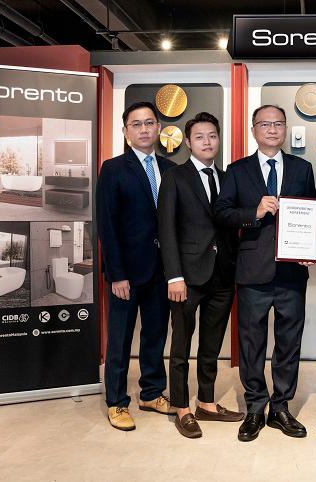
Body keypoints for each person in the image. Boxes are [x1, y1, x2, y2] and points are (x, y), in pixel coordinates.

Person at [214, 105, 316, 442]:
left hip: (292, 272)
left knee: (289, 343)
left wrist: (314, 251)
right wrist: (254, 212)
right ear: (253, 129)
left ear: (285, 128)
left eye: (278, 123)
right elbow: (222, 213)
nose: (272, 129)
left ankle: (282, 407)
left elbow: (314, 213)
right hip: (252, 272)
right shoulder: (237, 170)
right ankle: (256, 406)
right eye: (265, 124)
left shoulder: (302, 168)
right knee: (251, 343)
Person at [158, 112, 244, 439]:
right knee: (180, 345)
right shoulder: (176, 177)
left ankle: (206, 403)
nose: (207, 142)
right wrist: (173, 276)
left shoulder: (226, 177)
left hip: (222, 275)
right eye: (199, 137)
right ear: (189, 142)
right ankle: (182, 407)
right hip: (187, 277)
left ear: (218, 139)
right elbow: (166, 229)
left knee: (211, 345)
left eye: (212, 136)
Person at [96, 101, 176, 431]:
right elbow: (107, 224)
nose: (143, 129)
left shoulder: (171, 168)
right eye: (136, 124)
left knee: (156, 335)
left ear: (159, 128)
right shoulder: (113, 168)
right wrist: (116, 274)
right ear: (126, 131)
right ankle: (116, 401)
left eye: (149, 123)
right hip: (126, 273)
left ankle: (152, 392)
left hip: (162, 271)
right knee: (120, 338)